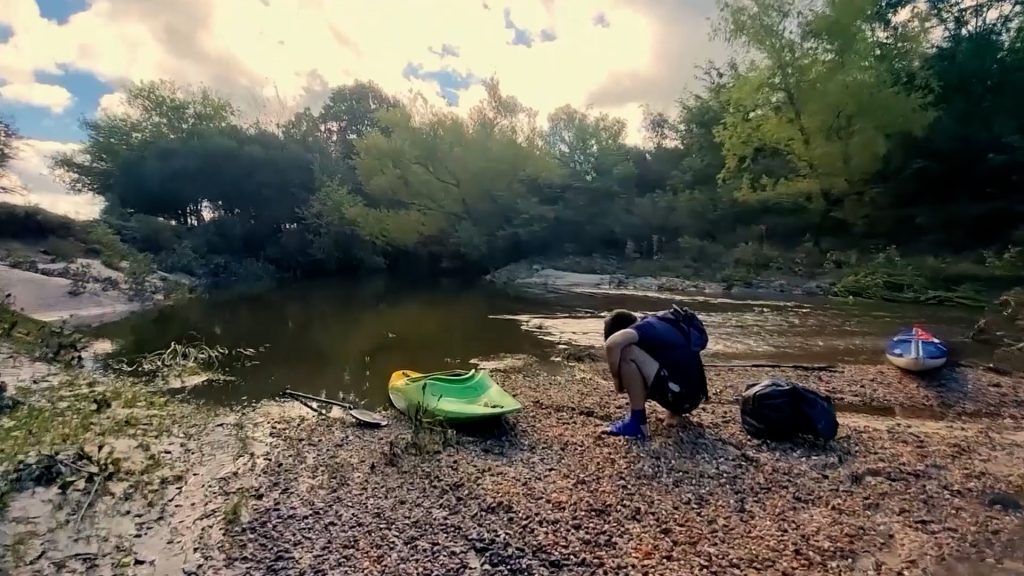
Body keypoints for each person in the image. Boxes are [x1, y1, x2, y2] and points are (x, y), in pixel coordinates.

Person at [601, 306, 709, 439]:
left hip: (681, 397)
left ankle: (637, 424)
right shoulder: (657, 323)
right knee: (657, 357)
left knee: (627, 352)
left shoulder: (644, 328)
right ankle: (674, 412)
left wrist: (617, 379)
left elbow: (612, 344)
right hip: (692, 397)